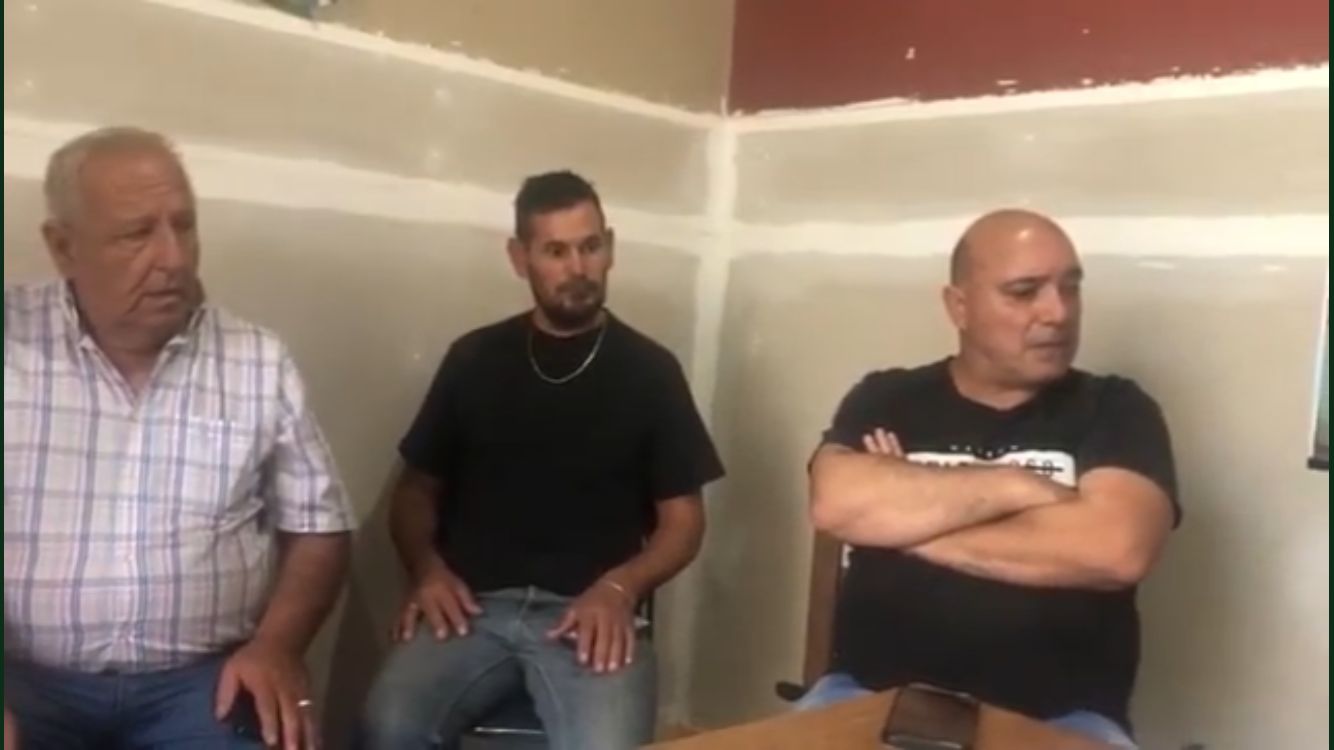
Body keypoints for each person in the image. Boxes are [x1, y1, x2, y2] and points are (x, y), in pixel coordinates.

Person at [3, 127, 355, 750]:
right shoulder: (11, 342)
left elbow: (319, 528)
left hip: (200, 686)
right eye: (136, 234)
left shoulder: (256, 361)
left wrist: (276, 646)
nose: (172, 258)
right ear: (63, 247)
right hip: (23, 679)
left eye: (184, 226)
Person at [357, 170, 724, 750]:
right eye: (556, 251)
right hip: (472, 609)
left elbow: (684, 522)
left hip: (590, 613)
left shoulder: (650, 372)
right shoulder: (475, 358)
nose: (578, 267)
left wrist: (621, 588)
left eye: (590, 246)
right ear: (519, 257)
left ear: (610, 248)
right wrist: (426, 571)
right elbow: (415, 492)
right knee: (387, 726)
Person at [804, 210, 1179, 749]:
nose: (1057, 312)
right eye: (1025, 292)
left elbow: (1116, 550)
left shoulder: (1116, 408)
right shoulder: (886, 398)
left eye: (1070, 288)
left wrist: (903, 523)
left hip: (1062, 720)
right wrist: (1013, 486)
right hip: (866, 698)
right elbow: (836, 504)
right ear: (959, 306)